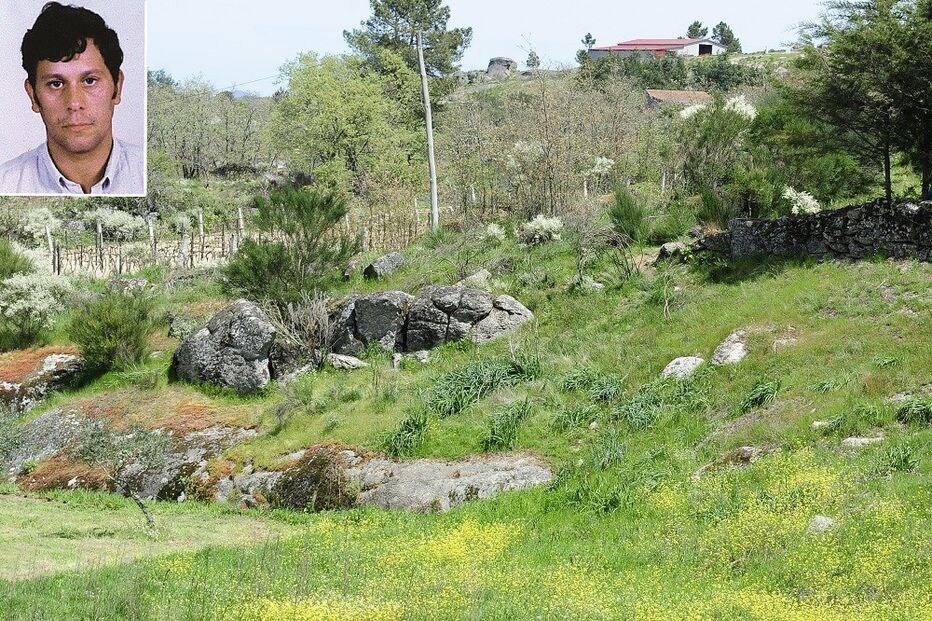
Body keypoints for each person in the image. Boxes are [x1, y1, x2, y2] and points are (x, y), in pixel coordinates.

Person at [0, 2, 143, 195]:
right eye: (56, 84)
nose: (74, 103)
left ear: (117, 87)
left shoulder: (149, 174)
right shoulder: (5, 184)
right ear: (33, 95)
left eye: (90, 81)